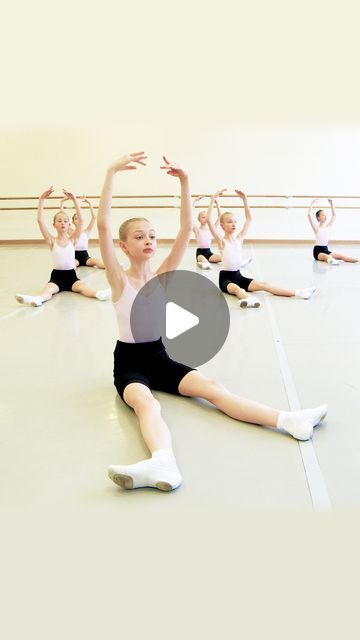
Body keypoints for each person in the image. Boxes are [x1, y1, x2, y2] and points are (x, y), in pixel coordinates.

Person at [97, 151, 327, 492]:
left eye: (151, 235)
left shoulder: (162, 277)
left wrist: (185, 180)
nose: (148, 240)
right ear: (123, 246)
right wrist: (111, 171)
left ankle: (289, 420)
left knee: (213, 389)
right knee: (147, 403)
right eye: (139, 236)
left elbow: (187, 228)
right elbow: (102, 225)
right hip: (129, 364)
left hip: (158, 358)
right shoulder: (119, 280)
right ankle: (163, 462)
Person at [207, 190, 317, 308]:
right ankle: (250, 299)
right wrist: (213, 199)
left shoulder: (239, 239)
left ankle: (299, 293)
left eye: (235, 222)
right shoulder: (222, 241)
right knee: (236, 289)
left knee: (264, 285)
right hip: (225, 279)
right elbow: (209, 220)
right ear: (222, 225)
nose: (233, 224)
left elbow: (249, 219)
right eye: (229, 222)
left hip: (238, 276)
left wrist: (245, 199)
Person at [15, 187, 111, 307]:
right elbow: (40, 221)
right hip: (56, 277)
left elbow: (81, 220)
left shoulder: (73, 240)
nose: (63, 223)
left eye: (65, 221)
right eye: (59, 221)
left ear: (69, 224)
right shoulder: (51, 241)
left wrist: (75, 199)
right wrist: (41, 200)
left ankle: (99, 294)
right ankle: (38, 299)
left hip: (71, 276)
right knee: (48, 290)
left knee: (83, 287)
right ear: (54, 225)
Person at [307, 198, 359, 265]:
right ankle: (332, 261)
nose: (325, 216)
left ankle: (357, 260)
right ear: (318, 217)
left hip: (326, 249)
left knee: (341, 256)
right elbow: (309, 215)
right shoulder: (316, 228)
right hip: (318, 251)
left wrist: (331, 203)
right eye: (322, 214)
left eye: (325, 214)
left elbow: (334, 215)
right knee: (327, 257)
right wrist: (312, 203)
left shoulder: (328, 227)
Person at [65, 197, 105, 269]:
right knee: (71, 265)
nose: (78, 220)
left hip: (85, 257)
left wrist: (89, 203)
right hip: (75, 257)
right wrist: (61, 203)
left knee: (96, 261)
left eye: (79, 218)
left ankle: (112, 268)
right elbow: (63, 218)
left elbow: (94, 217)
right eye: (76, 219)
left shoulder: (86, 231)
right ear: (73, 221)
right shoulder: (70, 231)